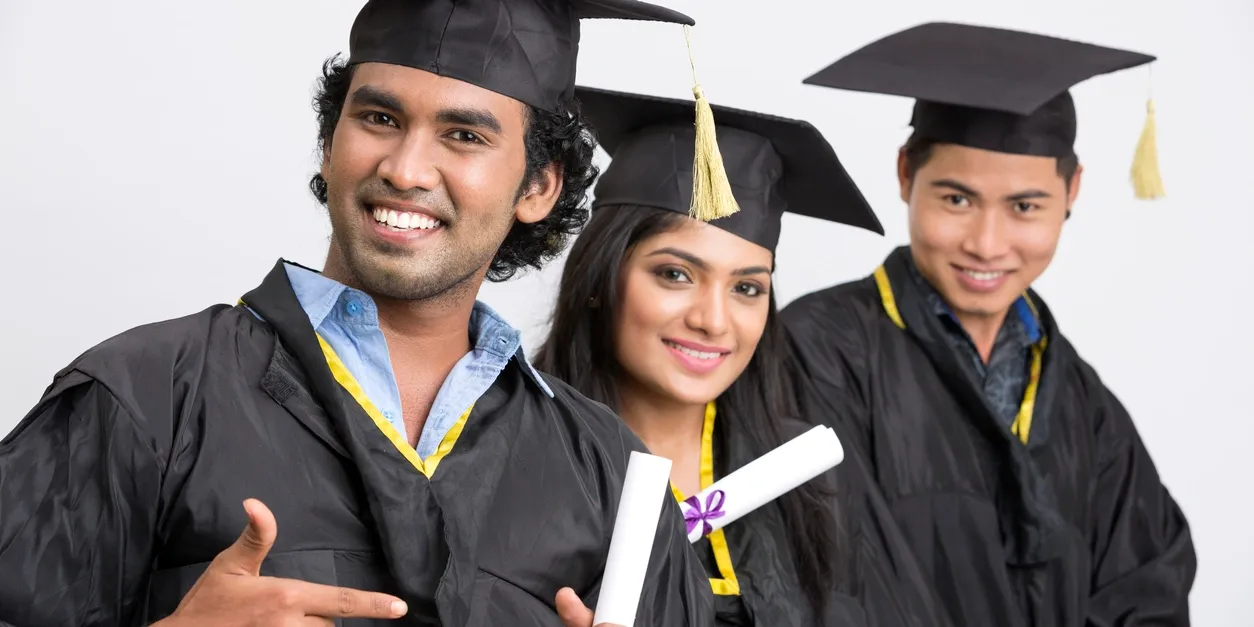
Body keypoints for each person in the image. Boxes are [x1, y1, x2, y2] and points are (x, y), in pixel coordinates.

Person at [0, 1, 716, 626]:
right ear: (329, 140)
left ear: (538, 186)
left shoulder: (613, 478)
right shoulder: (147, 396)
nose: (405, 168)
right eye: (379, 117)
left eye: (463, 135)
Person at [781, 21, 1197, 626]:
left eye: (1025, 207)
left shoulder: (1085, 401)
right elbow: (824, 586)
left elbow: (1148, 588)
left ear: (1072, 191)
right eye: (957, 200)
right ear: (905, 175)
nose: (986, 243)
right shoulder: (815, 352)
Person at [535, 86, 947, 627]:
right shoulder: (518, 461)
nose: (714, 320)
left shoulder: (810, 483)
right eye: (675, 275)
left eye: (747, 288)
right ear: (600, 278)